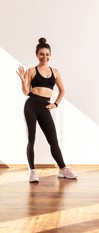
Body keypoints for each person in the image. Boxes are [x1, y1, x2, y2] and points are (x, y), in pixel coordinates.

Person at [17, 37, 77, 182]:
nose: (45, 57)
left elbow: (62, 91)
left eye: (47, 54)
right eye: (42, 54)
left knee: (53, 140)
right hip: (31, 105)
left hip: (45, 106)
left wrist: (55, 104)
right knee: (31, 139)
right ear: (37, 55)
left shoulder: (55, 71)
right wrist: (23, 81)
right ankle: (32, 171)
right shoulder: (31, 70)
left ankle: (63, 169)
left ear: (50, 55)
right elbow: (26, 92)